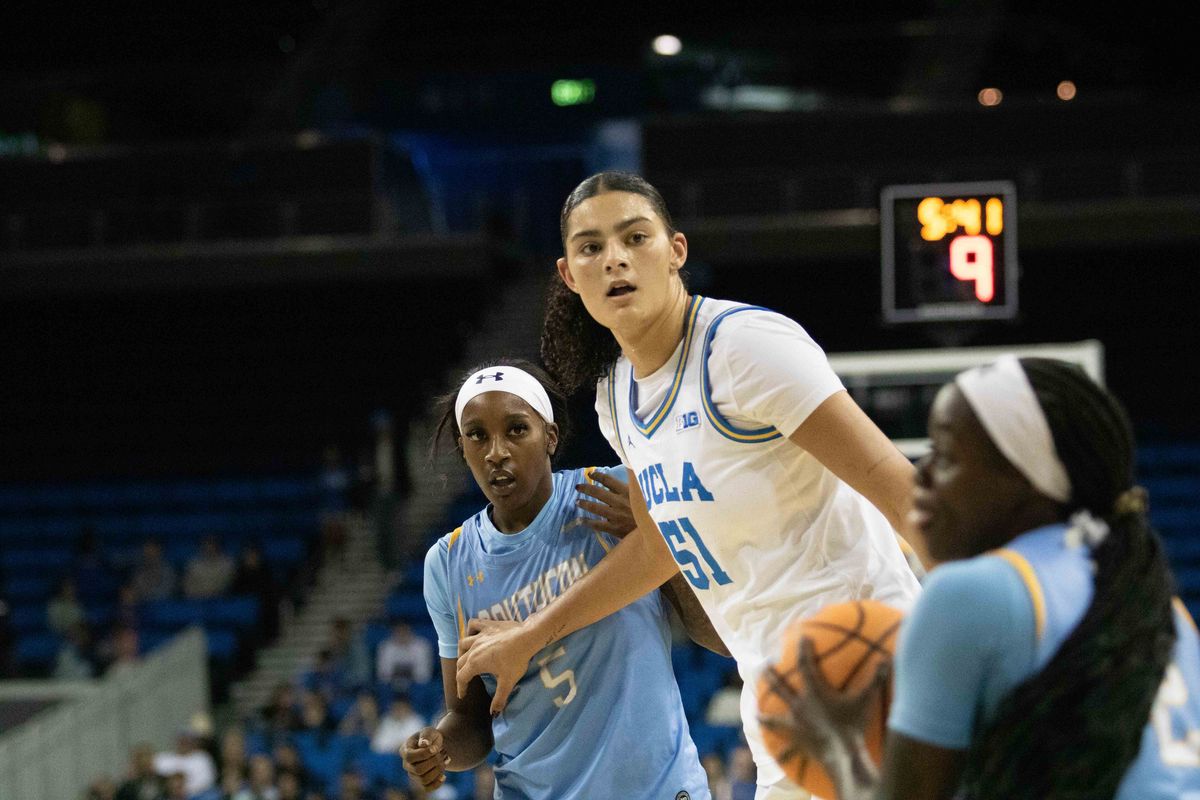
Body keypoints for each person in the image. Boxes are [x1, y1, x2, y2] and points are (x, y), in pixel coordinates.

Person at [456, 172, 922, 799]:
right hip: (779, 698)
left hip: (869, 664)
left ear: (675, 250)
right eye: (591, 247)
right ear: (569, 275)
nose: (615, 258)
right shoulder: (616, 396)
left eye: (635, 237)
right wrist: (530, 637)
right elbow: (658, 548)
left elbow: (900, 489)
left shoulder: (744, 347)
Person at [761, 357, 1200, 799]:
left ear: (1024, 480)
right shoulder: (1155, 599)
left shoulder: (973, 594)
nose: (922, 472)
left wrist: (839, 750)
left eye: (946, 456)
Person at [403, 361, 723, 798]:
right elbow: (470, 719)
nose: (496, 452)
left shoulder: (614, 493)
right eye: (477, 436)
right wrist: (439, 749)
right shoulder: (447, 563)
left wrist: (661, 542)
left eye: (516, 429)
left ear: (550, 436)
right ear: (463, 448)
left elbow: (718, 636)